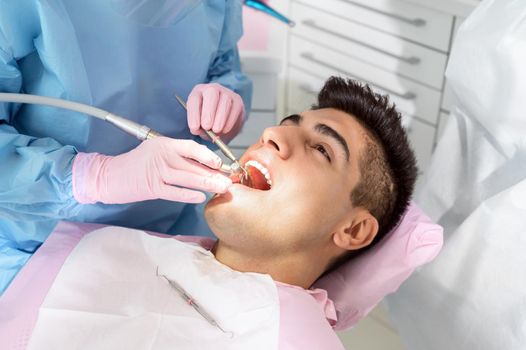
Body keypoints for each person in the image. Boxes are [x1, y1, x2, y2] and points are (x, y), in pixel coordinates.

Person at [4, 76, 418, 349]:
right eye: (287, 123)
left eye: (322, 149)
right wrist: (91, 176)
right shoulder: (111, 246)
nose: (271, 133)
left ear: (354, 229)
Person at [0, 1, 252, 294]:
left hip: (171, 235)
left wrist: (225, 94)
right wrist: (89, 176)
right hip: (38, 246)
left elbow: (223, 66)